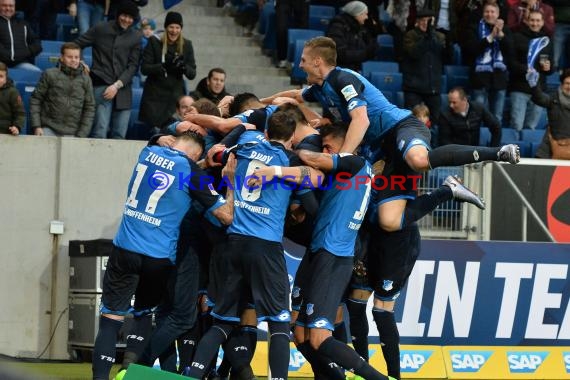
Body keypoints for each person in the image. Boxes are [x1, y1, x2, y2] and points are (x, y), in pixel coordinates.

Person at [263, 36, 518, 233]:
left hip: (400, 128)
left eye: (304, 59)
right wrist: (259, 103)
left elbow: (361, 120)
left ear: (318, 61)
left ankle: (498, 152)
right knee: (389, 221)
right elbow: (293, 97)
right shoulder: (319, 89)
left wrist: (342, 157)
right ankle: (448, 190)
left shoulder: (344, 79)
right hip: (383, 148)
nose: (300, 64)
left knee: (418, 160)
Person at [185, 111, 320, 380]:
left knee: (222, 321)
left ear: (267, 132)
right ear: (292, 136)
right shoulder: (289, 160)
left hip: (233, 244)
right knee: (279, 322)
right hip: (265, 248)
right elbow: (315, 182)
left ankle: (193, 374)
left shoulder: (245, 146)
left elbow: (216, 153)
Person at [91, 131, 235, 380]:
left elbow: (172, 168)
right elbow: (226, 216)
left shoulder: (148, 153)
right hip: (157, 259)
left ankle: (100, 378)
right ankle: (129, 370)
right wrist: (230, 182)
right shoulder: (193, 173)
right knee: (144, 314)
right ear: (196, 155)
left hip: (124, 249)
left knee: (110, 319)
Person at [75, 0, 141, 139]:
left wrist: (117, 86)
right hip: (100, 85)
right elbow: (77, 44)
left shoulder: (136, 36)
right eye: (124, 15)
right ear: (118, 14)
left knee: (120, 134)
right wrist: (80, 63)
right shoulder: (101, 28)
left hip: (123, 89)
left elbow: (133, 66)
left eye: (131, 18)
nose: (127, 20)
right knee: (100, 130)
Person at [139, 11, 197, 133]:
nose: (174, 31)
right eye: (171, 27)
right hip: (154, 96)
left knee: (172, 132)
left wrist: (183, 67)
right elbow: (144, 68)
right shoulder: (154, 41)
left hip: (174, 96)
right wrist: (163, 66)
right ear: (166, 27)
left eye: (177, 27)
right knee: (155, 132)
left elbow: (192, 74)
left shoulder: (187, 44)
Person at [30, 42, 95, 137]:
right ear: (62, 57)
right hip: (48, 129)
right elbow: (36, 99)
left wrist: (82, 134)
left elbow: (89, 108)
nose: (73, 60)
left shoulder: (86, 79)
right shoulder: (49, 74)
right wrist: (36, 126)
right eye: (70, 57)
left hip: (73, 133)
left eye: (76, 57)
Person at [463, 2, 514, 125]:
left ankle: (495, 144)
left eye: (493, 12)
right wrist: (490, 37)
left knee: (497, 118)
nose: (489, 14)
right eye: (487, 12)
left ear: (498, 14)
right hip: (479, 81)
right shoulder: (473, 27)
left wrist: (501, 36)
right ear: (483, 13)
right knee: (477, 118)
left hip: (499, 80)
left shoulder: (505, 30)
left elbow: (511, 52)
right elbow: (471, 49)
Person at [508, 9, 552, 131]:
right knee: (516, 126)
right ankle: (514, 151)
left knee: (531, 128)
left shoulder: (546, 41)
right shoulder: (516, 37)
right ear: (526, 21)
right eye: (532, 20)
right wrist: (526, 69)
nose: (535, 23)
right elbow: (511, 63)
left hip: (539, 90)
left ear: (543, 22)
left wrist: (548, 68)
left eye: (538, 20)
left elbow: (551, 67)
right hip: (519, 88)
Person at [401, 9, 446, 124]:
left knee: (436, 122)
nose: (426, 23)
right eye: (423, 20)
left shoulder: (439, 36)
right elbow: (414, 53)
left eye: (429, 21)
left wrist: (435, 37)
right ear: (417, 22)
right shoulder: (410, 35)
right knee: (411, 122)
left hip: (433, 88)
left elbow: (447, 56)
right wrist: (427, 37)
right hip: (414, 88)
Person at [528, 68, 570, 159]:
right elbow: (539, 98)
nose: (569, 87)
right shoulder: (553, 99)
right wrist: (533, 85)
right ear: (562, 85)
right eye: (567, 83)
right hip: (549, 150)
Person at [325, 1, 378, 72]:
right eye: (364, 14)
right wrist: (366, 53)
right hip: (338, 72)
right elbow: (341, 54)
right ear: (357, 14)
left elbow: (367, 48)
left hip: (352, 71)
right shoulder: (337, 27)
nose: (366, 17)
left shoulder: (359, 28)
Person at [0, 0, 42, 71]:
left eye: (11, 6)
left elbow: (37, 44)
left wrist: (25, 52)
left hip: (20, 63)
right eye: (4, 5)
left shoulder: (23, 24)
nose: (8, 8)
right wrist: (7, 55)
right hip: (1, 63)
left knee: (37, 72)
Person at [0, 62, 25, 135]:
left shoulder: (13, 92)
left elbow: (20, 113)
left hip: (6, 132)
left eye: (1, 76)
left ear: (6, 78)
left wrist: (17, 126)